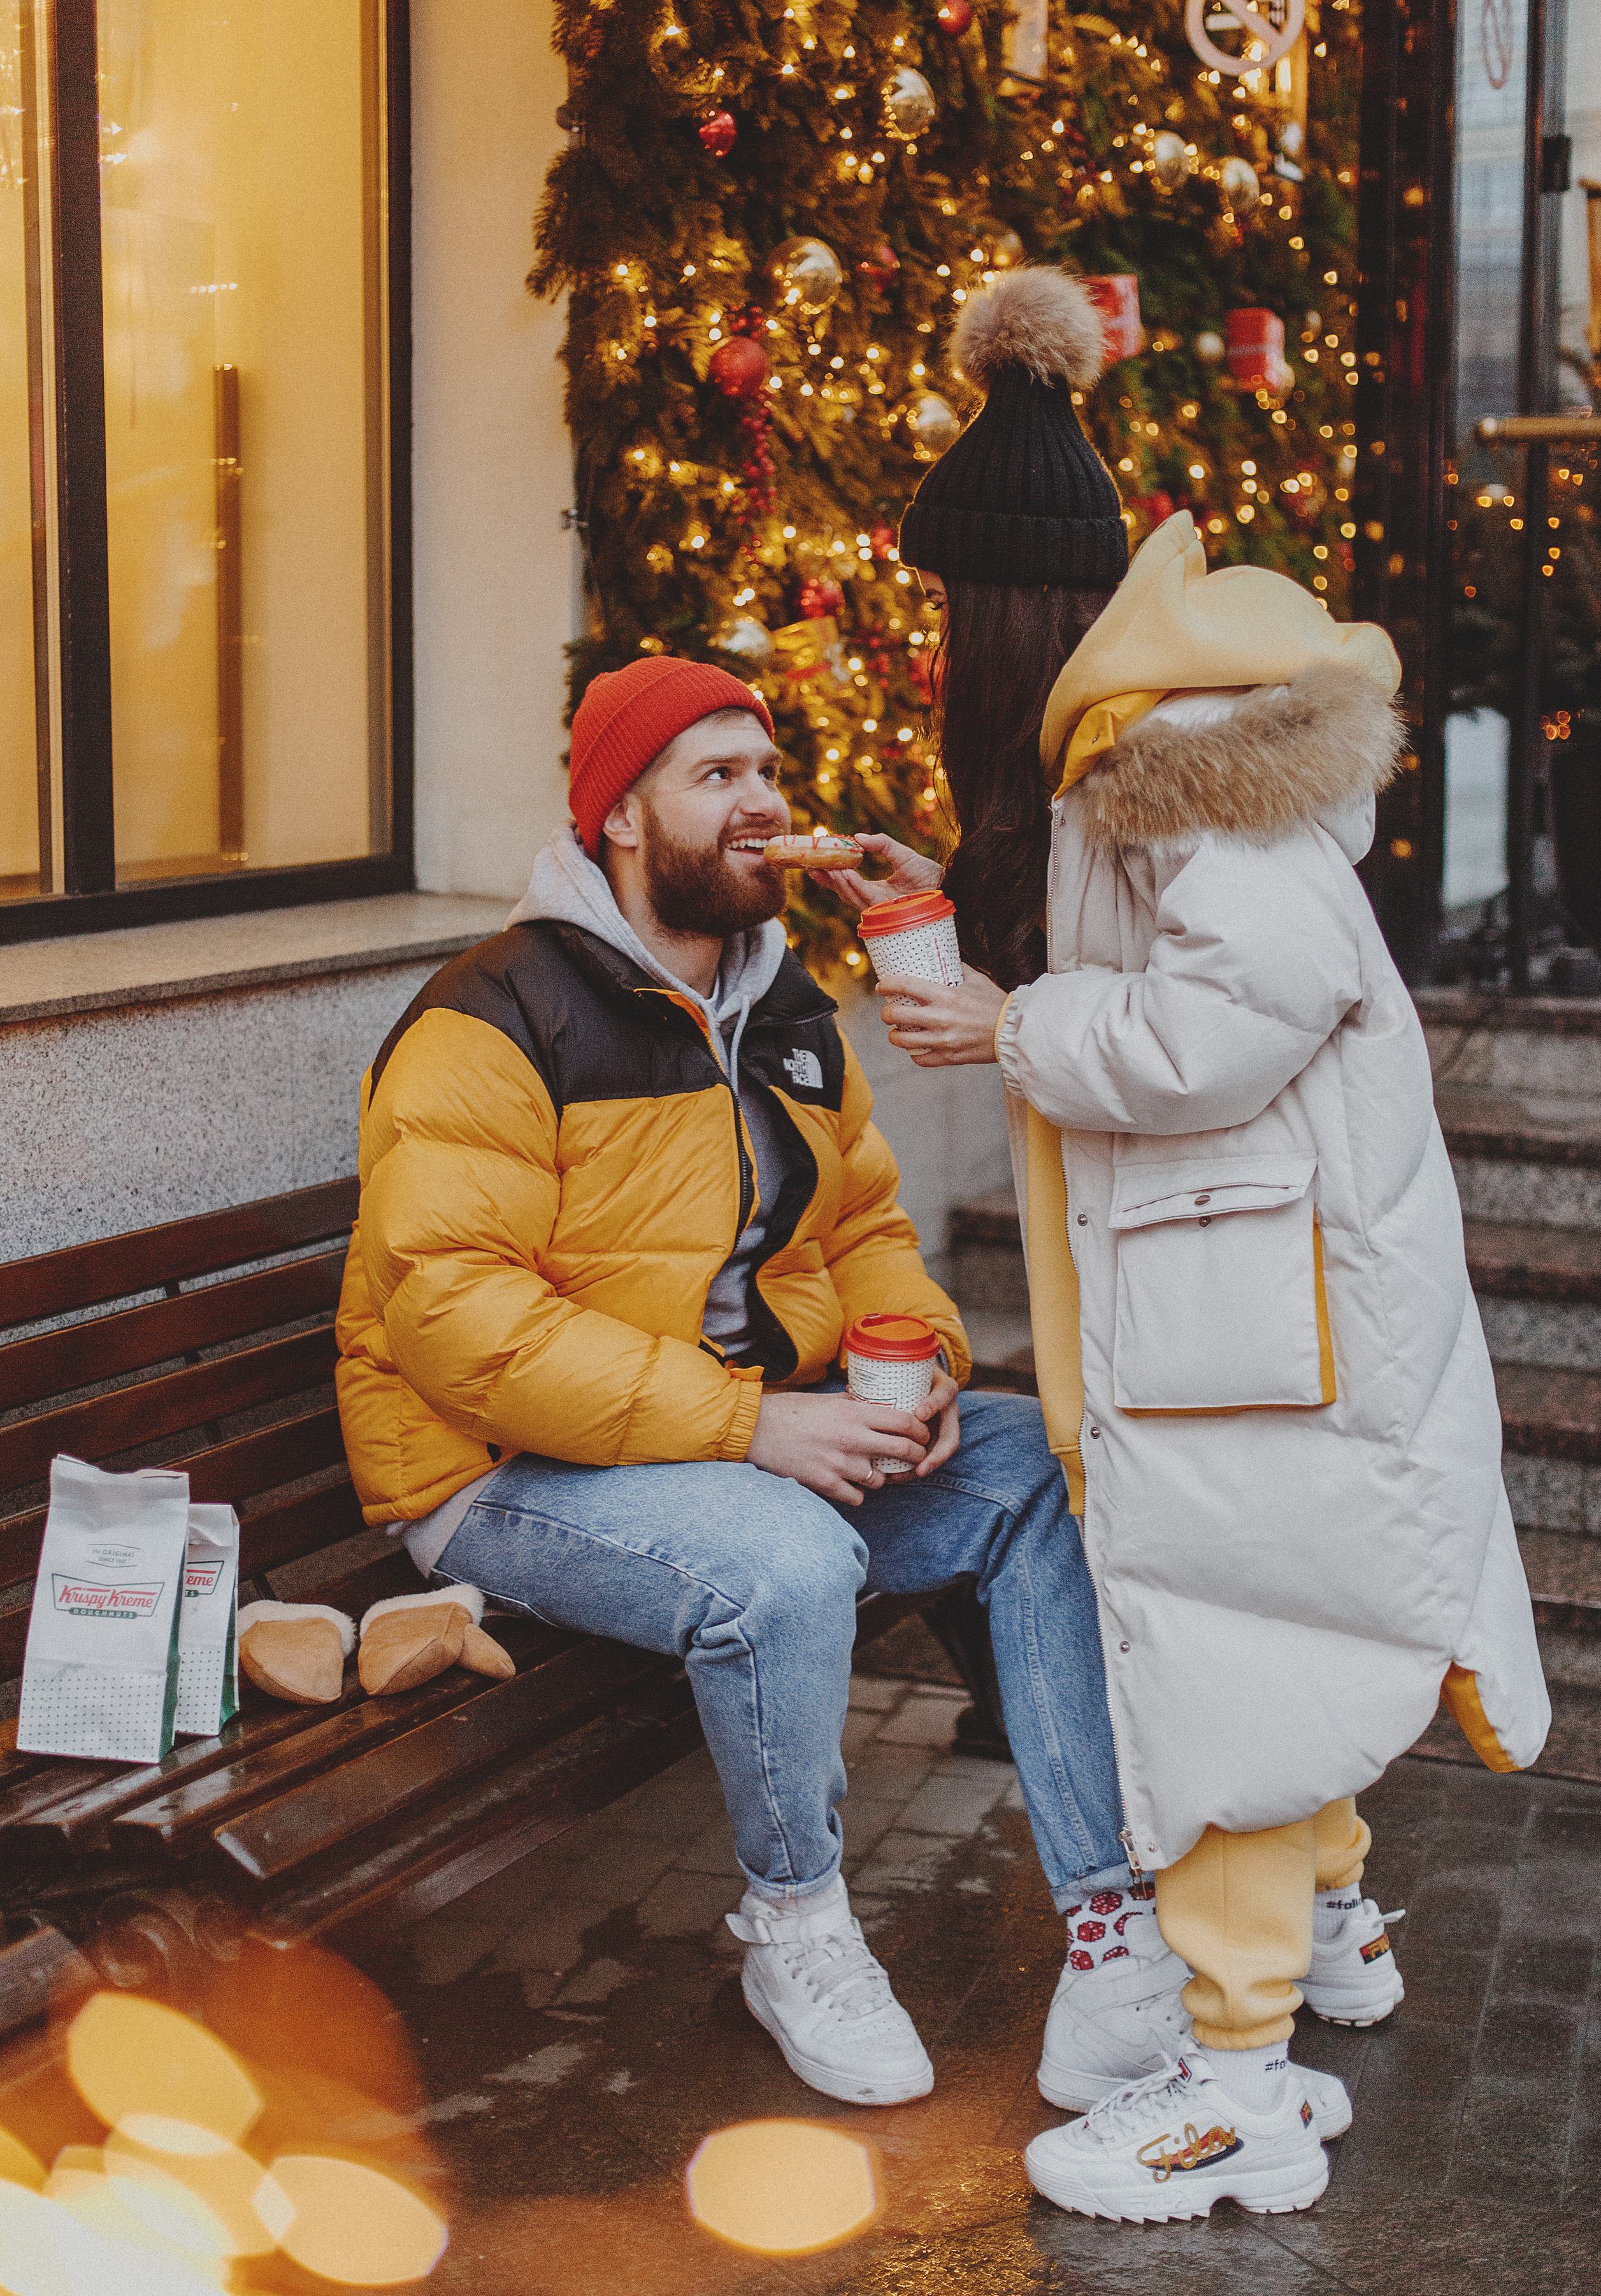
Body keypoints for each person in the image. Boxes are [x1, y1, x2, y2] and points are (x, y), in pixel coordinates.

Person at [819, 266, 1551, 2220]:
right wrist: (977, 944)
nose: (948, 650)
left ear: (1022, 620)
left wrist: (1013, 1026)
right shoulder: (1175, 752)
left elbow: (1239, 1014)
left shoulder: (1167, 771)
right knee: (1275, 1626)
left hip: (1253, 1314)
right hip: (1270, 1300)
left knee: (1216, 1661)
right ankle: (1329, 1937)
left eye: (962, 615)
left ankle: (1230, 2087)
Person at [336, 650, 1221, 2114]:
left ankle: (1108, 1929)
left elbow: (866, 1229)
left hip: (727, 1447)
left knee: (1032, 1466)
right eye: (718, 777)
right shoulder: (491, 1018)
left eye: (768, 773)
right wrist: (757, 1426)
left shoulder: (788, 1006)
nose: (764, 804)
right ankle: (795, 1926)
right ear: (622, 816)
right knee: (790, 1560)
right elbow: (459, 1322)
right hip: (500, 1475)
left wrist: (916, 1364)